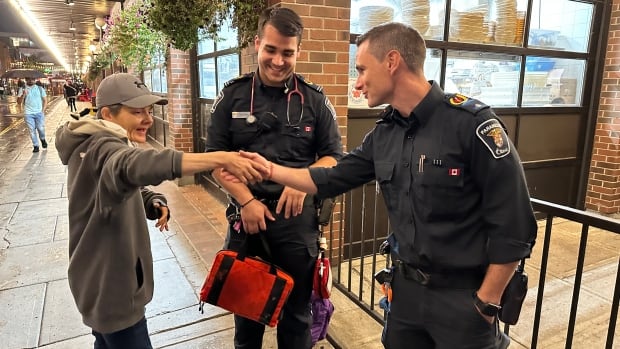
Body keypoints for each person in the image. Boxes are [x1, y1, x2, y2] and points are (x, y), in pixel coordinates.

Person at [238, 22, 538, 349]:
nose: (358, 83)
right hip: (405, 298)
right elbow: (331, 177)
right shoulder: (384, 134)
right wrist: (270, 170)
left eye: (362, 69)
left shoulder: (471, 125)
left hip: (463, 301)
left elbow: (515, 225)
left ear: (392, 62)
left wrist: (486, 302)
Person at [55, 73, 268, 349]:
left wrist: (149, 199)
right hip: (114, 291)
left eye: (148, 111)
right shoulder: (104, 149)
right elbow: (136, 165)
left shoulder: (91, 143)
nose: (147, 119)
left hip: (96, 284)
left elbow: (114, 185)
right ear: (108, 114)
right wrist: (222, 158)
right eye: (136, 112)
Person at [205, 6, 343, 349]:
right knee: (247, 315)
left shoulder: (314, 99)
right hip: (247, 221)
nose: (278, 61)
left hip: (297, 224)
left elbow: (334, 157)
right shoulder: (231, 97)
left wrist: (301, 180)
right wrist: (247, 201)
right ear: (256, 44)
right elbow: (214, 161)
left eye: (287, 52)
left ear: (299, 52)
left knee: (297, 319)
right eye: (271, 49)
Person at [18, 77, 47, 152]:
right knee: (31, 130)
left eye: (32, 79)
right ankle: (36, 145)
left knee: (41, 128)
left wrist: (43, 110)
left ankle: (43, 139)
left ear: (35, 80)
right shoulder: (22, 89)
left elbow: (45, 100)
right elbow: (18, 102)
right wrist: (23, 94)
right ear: (26, 80)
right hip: (28, 113)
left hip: (39, 113)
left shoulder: (40, 89)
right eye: (28, 79)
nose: (30, 80)